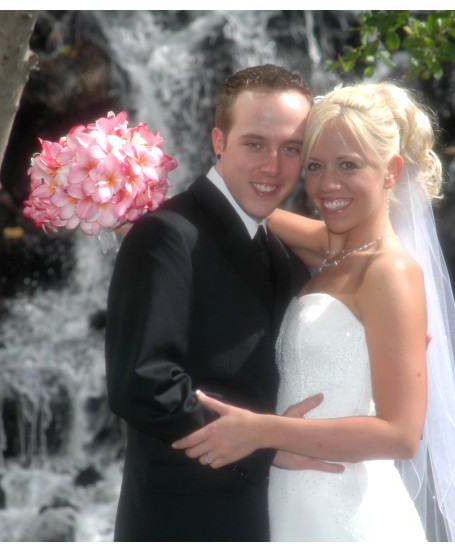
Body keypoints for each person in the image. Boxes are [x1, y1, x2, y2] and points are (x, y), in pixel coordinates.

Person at [173, 82, 455, 541]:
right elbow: (240, 203)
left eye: (348, 166)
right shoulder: (332, 250)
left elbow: (399, 435)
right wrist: (137, 200)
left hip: (350, 515)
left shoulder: (389, 271)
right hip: (293, 504)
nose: (327, 185)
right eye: (314, 166)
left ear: (391, 170)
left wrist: (261, 431)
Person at [104, 64, 339, 542]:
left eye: (291, 148)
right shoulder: (167, 235)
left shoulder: (278, 249)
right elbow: (143, 382)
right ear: (218, 141)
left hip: (266, 513)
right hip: (186, 518)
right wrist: (266, 444)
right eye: (255, 143)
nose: (272, 166)